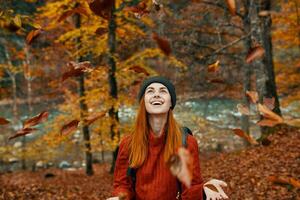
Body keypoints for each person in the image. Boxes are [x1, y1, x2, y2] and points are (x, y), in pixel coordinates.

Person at [109, 76, 228, 200]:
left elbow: (190, 190)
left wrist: (203, 189)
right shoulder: (128, 143)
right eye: (150, 91)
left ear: (171, 102)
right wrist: (120, 197)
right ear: (143, 101)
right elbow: (122, 185)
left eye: (163, 91)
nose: (156, 95)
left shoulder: (186, 142)